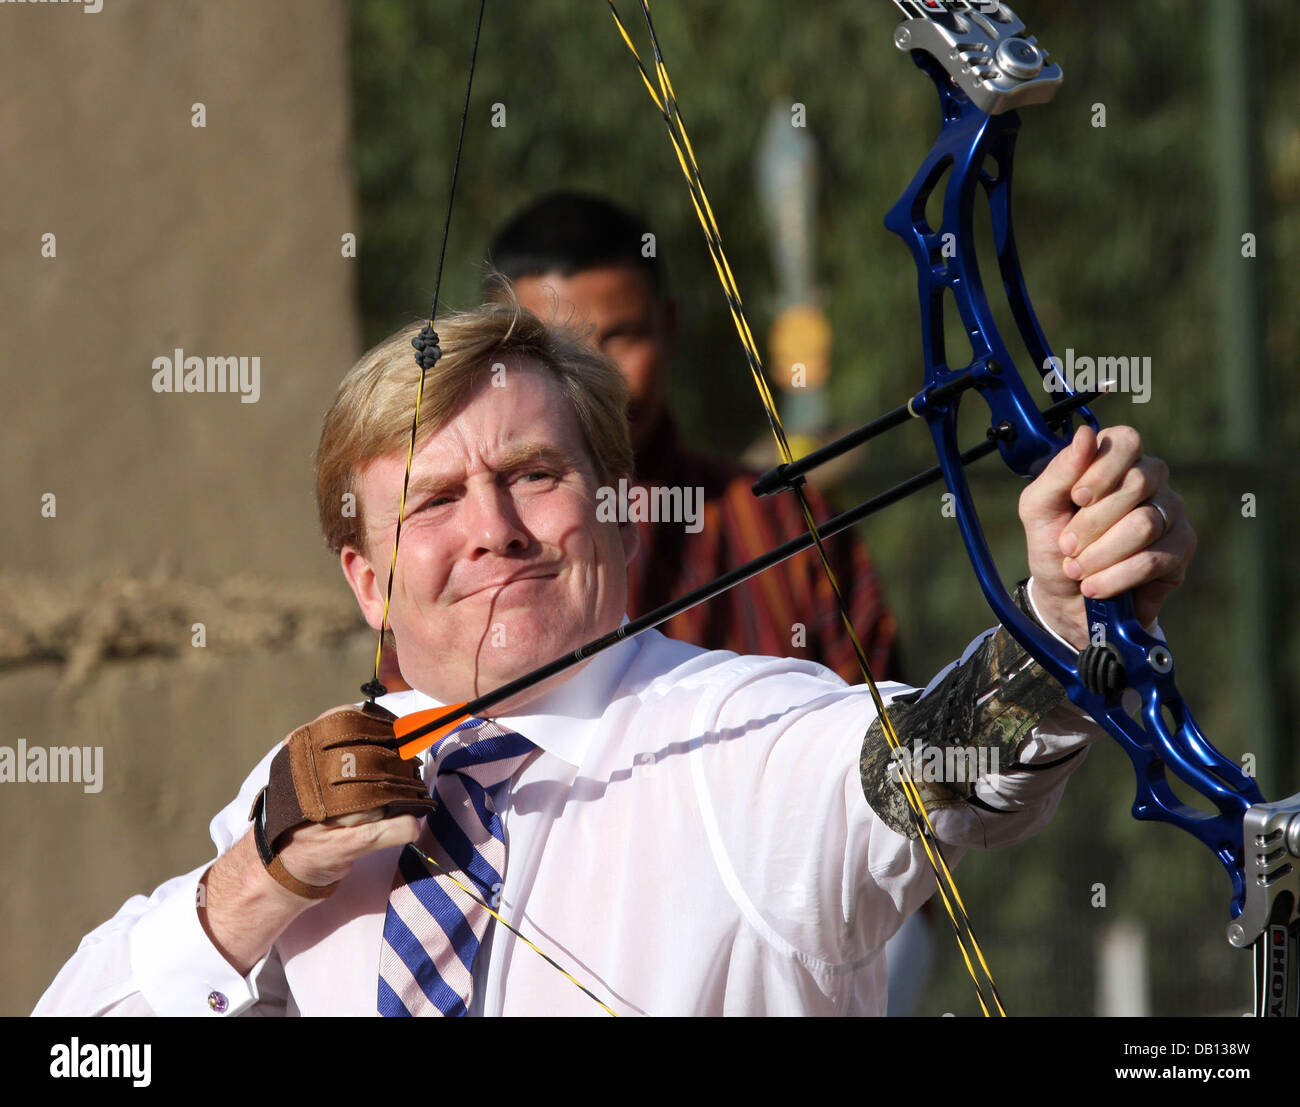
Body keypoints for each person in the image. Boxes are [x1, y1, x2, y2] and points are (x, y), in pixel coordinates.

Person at [34, 301, 1194, 1016]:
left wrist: (1063, 625)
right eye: (432, 500)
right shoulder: (315, 795)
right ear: (368, 580)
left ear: (622, 516)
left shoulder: (744, 734)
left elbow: (933, 770)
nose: (492, 526)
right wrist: (259, 880)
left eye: (533, 474)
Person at [486, 192, 899, 683]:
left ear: (669, 328)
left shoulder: (788, 528)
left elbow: (882, 738)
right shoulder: (465, 544)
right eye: (557, 350)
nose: (596, 379)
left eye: (622, 337)